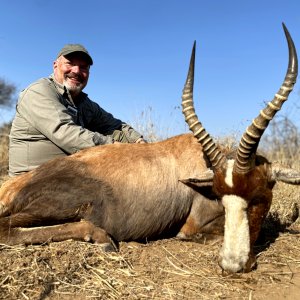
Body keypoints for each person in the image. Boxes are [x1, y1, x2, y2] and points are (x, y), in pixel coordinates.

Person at [9, 44, 145, 177]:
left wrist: (139, 142)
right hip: (31, 181)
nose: (76, 71)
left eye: (83, 67)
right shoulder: (39, 91)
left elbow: (115, 125)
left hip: (69, 177)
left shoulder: (85, 103)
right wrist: (117, 149)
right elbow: (66, 132)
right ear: (55, 65)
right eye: (69, 63)